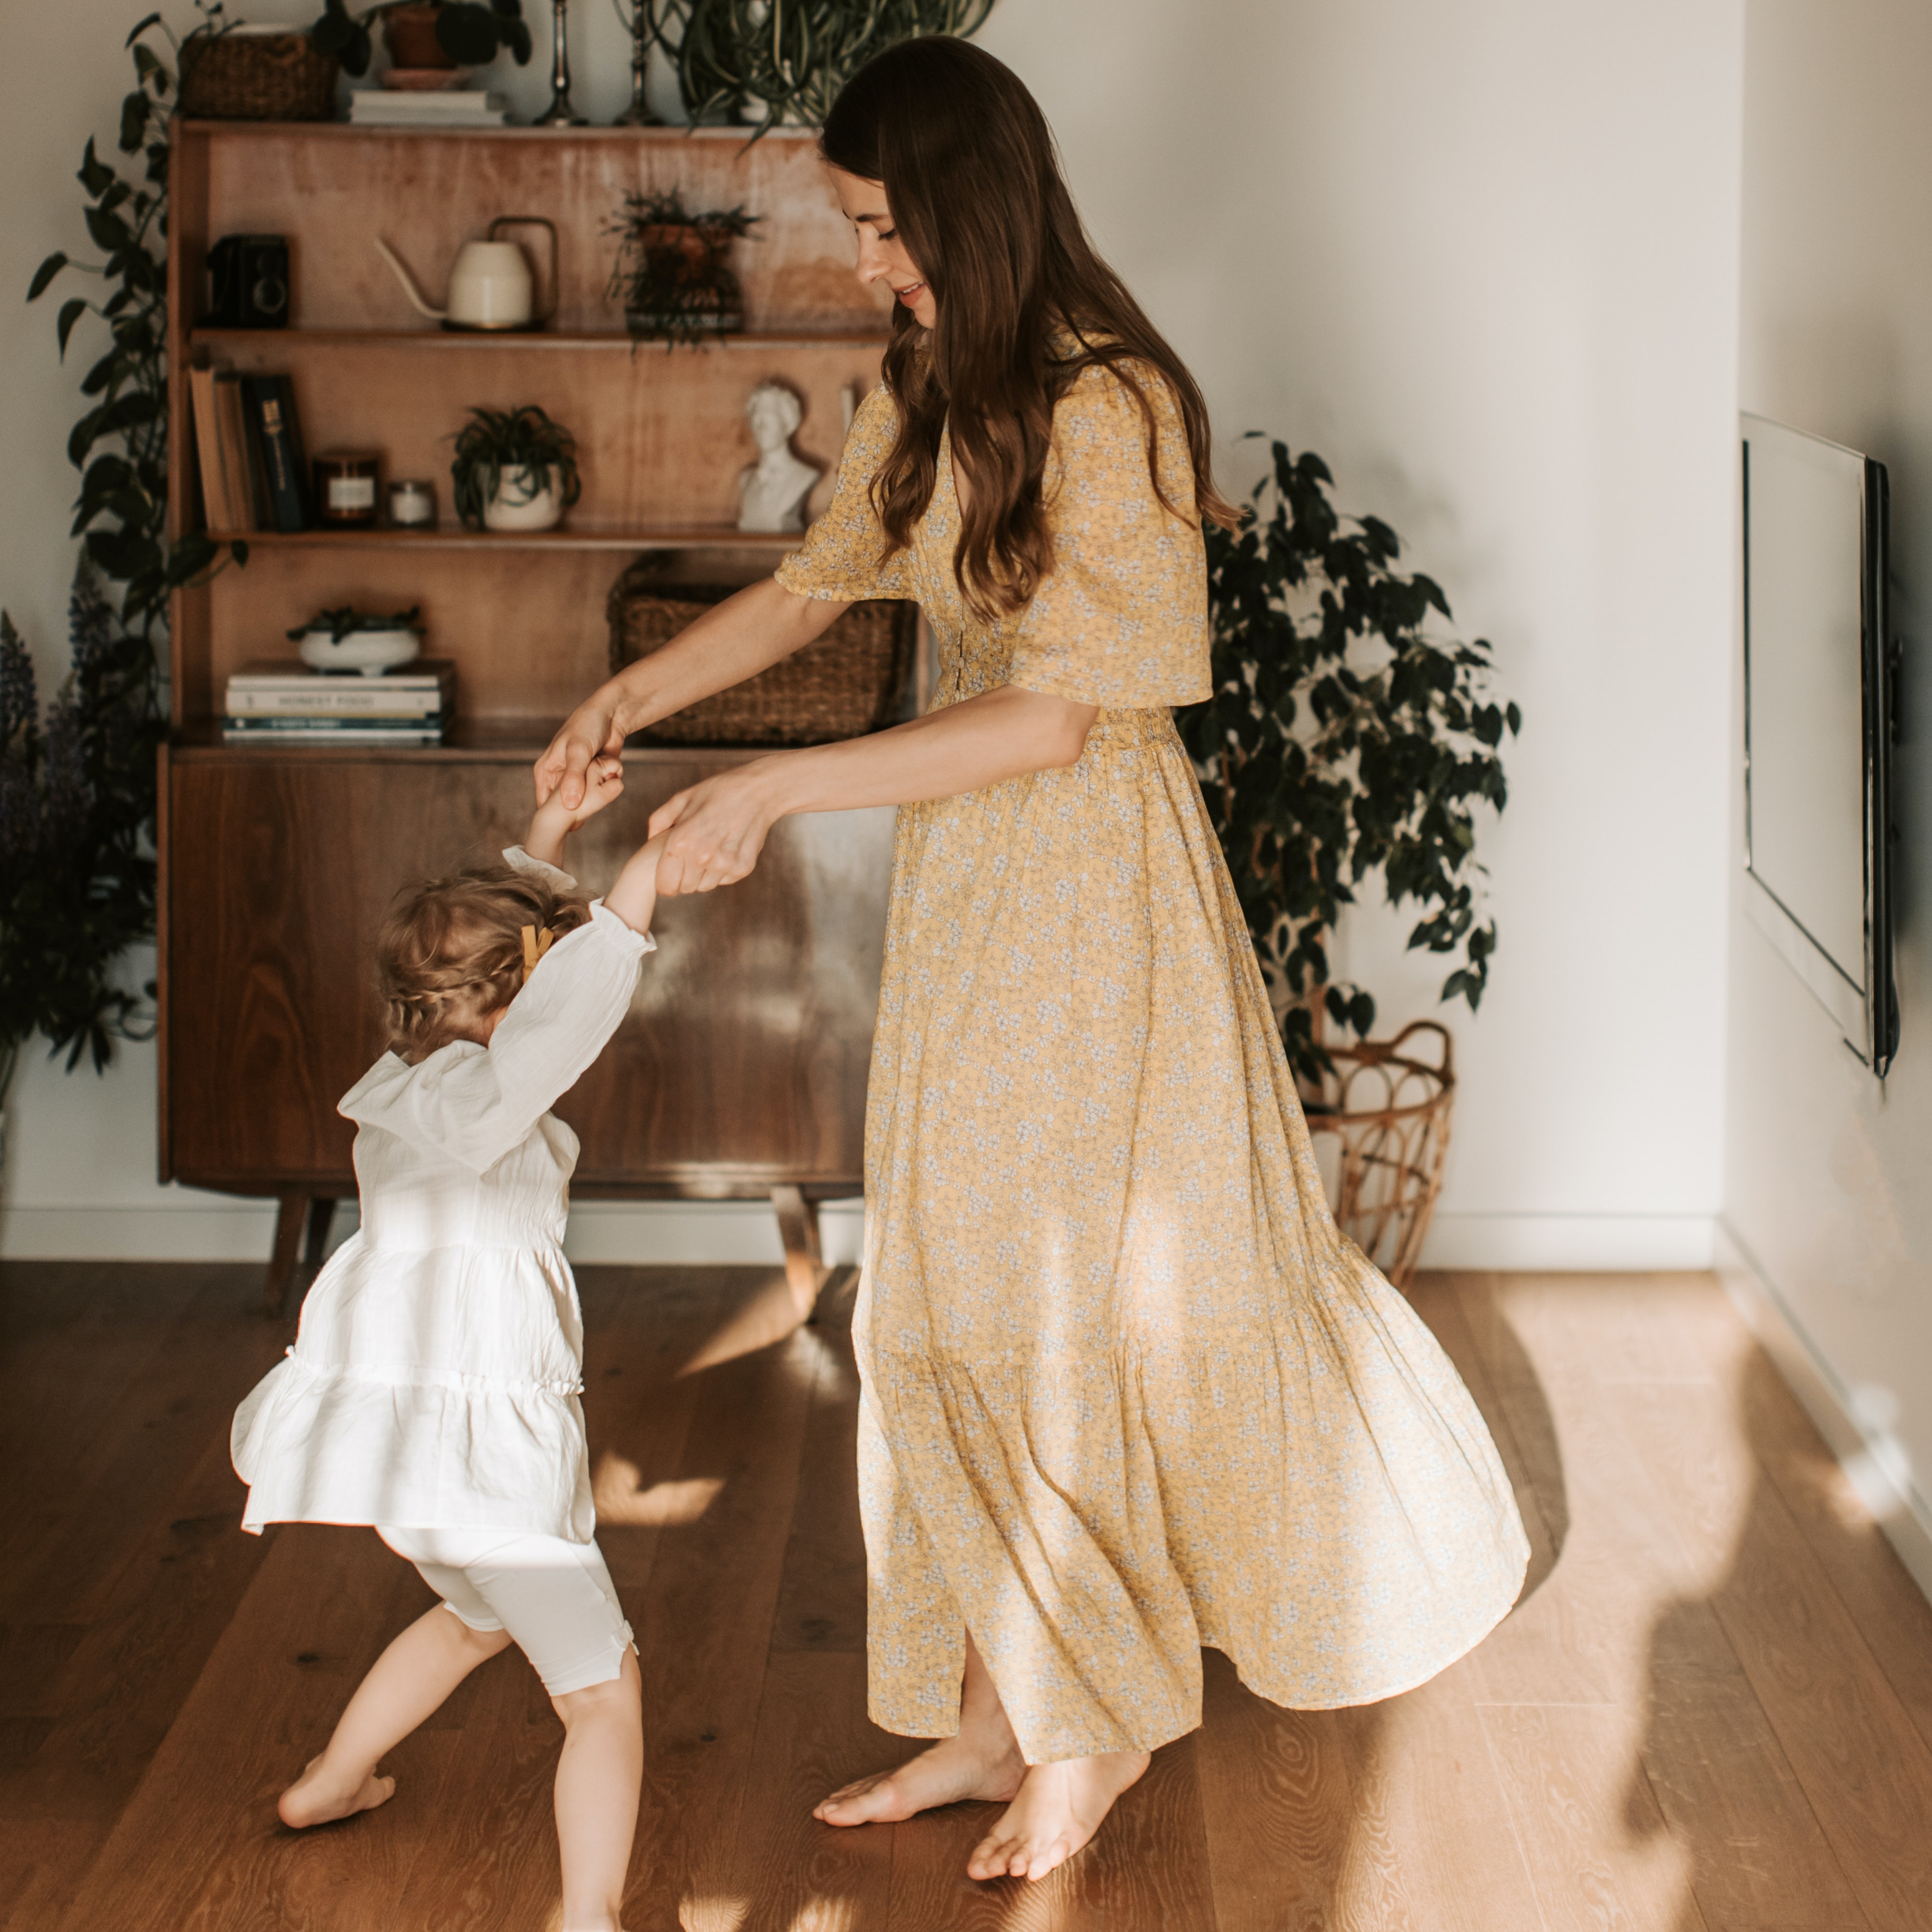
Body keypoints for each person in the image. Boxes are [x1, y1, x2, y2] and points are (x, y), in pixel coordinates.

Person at [535, 36, 1529, 1887]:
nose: (859, 262)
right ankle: (1002, 1703)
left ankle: (1091, 1721)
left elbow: (1062, 723)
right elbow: (823, 573)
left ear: (964, 207)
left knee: (1045, 1311)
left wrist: (779, 792)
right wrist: (635, 693)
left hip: (1089, 898)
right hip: (976, 895)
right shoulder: (935, 377)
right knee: (926, 1311)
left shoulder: (1111, 404)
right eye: (850, 228)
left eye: (879, 226)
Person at [230, 759, 664, 1932]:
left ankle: (330, 1780)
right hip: (486, 1466)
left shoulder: (404, 1084)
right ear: (510, 1005)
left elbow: (525, 978)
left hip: (408, 1473)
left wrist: (546, 834)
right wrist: (644, 881)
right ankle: (589, 1915)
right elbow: (568, 1005)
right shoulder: (493, 1096)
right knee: (600, 1693)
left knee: (475, 1618)